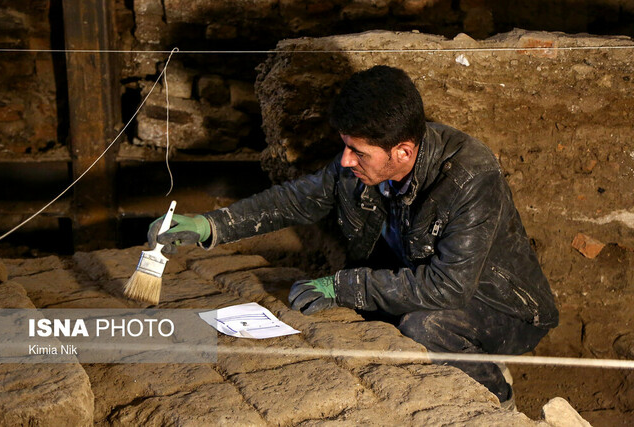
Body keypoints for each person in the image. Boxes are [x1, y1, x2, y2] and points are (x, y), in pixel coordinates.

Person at [148, 65, 559, 408]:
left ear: (402, 152)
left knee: (423, 326)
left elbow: (448, 287)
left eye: (357, 152)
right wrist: (211, 226)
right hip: (422, 277)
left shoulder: (470, 177)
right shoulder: (371, 157)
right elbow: (298, 199)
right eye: (346, 148)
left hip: (500, 305)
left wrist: (344, 285)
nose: (346, 160)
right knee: (359, 319)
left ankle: (499, 397)